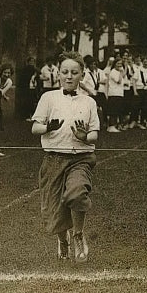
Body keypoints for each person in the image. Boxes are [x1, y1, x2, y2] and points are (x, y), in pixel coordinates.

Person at [31, 52, 100, 263]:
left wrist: (84, 136)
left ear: (82, 75)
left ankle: (78, 235)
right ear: (59, 74)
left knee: (77, 194)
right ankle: (63, 240)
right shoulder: (48, 98)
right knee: (55, 209)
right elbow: (35, 128)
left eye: (74, 72)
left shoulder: (89, 102)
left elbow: (95, 134)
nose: (69, 76)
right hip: (53, 159)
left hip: (80, 158)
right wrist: (47, 127)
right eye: (65, 72)